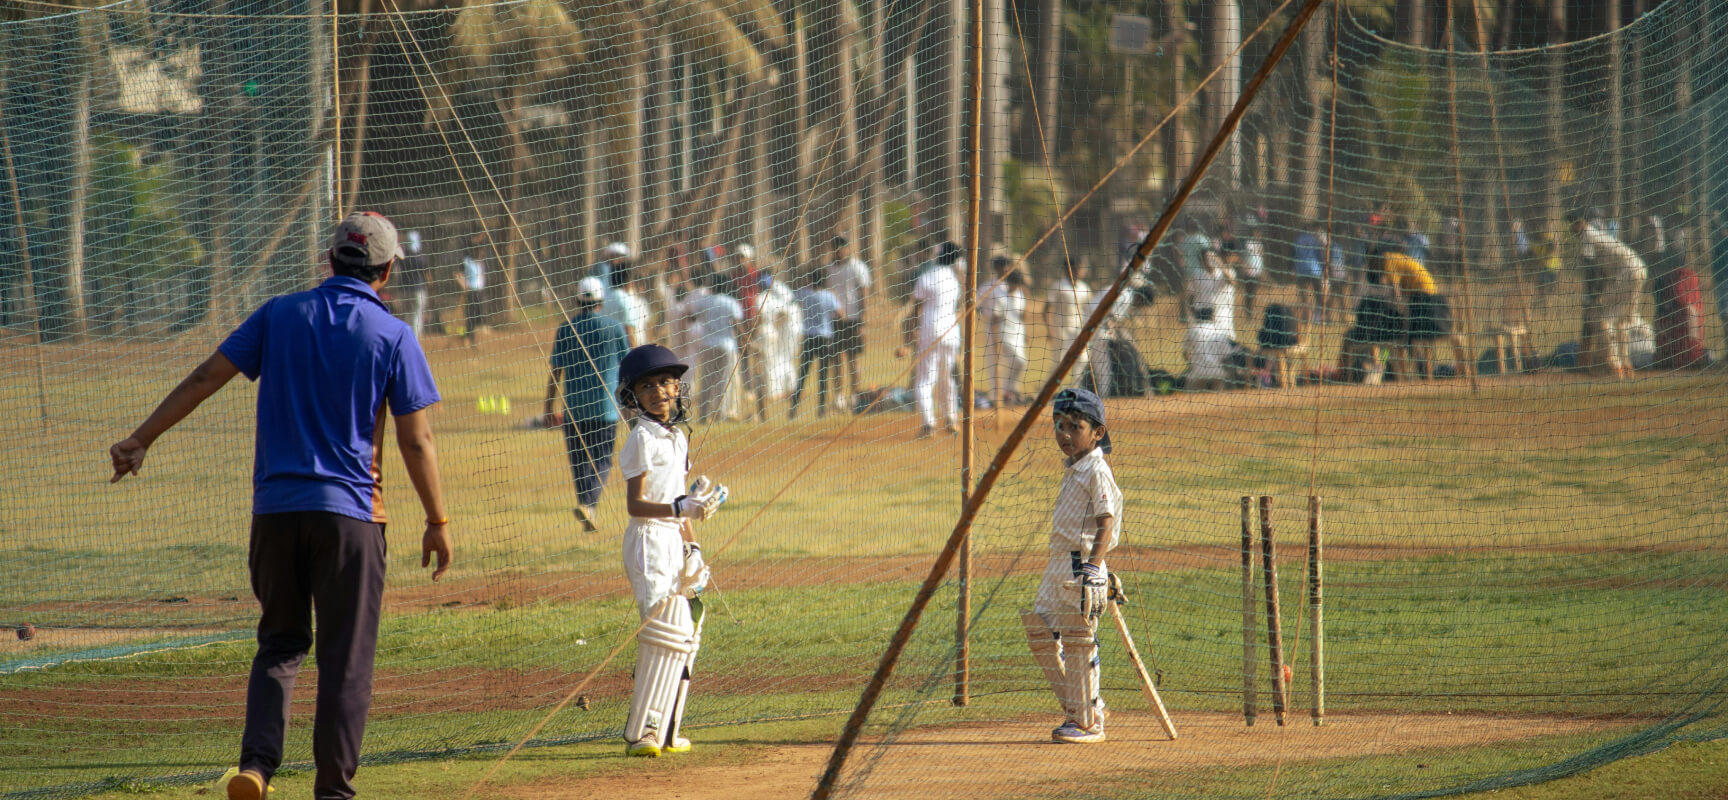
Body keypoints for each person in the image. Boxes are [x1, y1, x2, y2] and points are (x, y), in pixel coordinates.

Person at [108, 212, 452, 800]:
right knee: (345, 662)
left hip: (275, 514)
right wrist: (437, 520)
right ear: (387, 271)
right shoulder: (394, 335)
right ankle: (333, 791)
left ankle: (256, 767)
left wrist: (142, 438)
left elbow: (205, 376)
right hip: (350, 518)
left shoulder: (279, 313)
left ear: (327, 259)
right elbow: (415, 440)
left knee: (281, 643)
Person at [614, 344, 728, 758]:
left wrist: (692, 544)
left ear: (678, 387)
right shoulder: (641, 438)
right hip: (647, 539)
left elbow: (680, 497)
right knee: (661, 631)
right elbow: (635, 505)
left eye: (666, 382)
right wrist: (680, 508)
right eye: (648, 386)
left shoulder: (678, 437)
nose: (659, 391)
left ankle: (669, 730)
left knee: (688, 625)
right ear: (633, 396)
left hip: (673, 539)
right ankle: (643, 732)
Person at [1020, 388, 1121, 745]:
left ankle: (1088, 723)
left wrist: (1094, 568)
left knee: (1078, 641)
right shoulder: (1075, 467)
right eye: (1059, 425)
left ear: (1097, 432)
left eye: (1075, 426)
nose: (1064, 434)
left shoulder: (1096, 470)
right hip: (1057, 563)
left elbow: (1106, 522)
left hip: (1080, 565)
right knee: (1040, 632)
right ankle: (1086, 707)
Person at [546, 277, 631, 532]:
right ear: (601, 301)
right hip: (606, 408)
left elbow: (556, 370)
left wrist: (548, 405)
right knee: (601, 459)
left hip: (574, 408)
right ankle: (590, 504)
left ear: (577, 300)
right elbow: (628, 366)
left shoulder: (565, 328)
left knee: (579, 461)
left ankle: (585, 504)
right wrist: (630, 401)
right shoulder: (614, 327)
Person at [1568, 208, 1647, 379]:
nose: (1571, 228)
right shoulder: (1599, 234)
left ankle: (1614, 365)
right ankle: (1627, 365)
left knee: (1606, 319)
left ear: (1579, 223)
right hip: (1639, 269)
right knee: (1624, 320)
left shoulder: (1587, 235)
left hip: (1625, 273)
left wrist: (1592, 296)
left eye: (1572, 224)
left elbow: (1590, 266)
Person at [899, 241, 963, 438]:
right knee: (947, 378)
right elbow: (957, 307)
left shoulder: (927, 276)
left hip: (930, 331)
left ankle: (928, 424)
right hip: (951, 333)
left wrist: (909, 338)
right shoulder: (954, 278)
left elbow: (915, 310)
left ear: (937, 255)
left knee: (924, 381)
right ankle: (951, 419)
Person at [1380, 241, 1453, 380]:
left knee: (1407, 335)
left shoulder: (1387, 259)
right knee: (1408, 336)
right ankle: (1420, 370)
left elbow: (1396, 293)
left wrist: (1396, 307)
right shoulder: (1399, 259)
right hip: (1430, 296)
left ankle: (1416, 371)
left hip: (1423, 298)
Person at [1335, 251, 1405, 384]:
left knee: (1349, 337)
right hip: (1384, 334)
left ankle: (1344, 376)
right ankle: (1387, 372)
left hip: (1369, 334)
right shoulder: (1387, 290)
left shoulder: (1367, 290)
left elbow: (1357, 311)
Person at [684, 270, 744, 422]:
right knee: (723, 381)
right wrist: (746, 341)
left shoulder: (704, 301)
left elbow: (691, 318)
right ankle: (719, 415)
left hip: (708, 344)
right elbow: (737, 325)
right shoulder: (730, 302)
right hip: (727, 345)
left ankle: (703, 415)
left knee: (706, 381)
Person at [826, 236, 873, 412]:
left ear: (847, 248)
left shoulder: (857, 267)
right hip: (835, 319)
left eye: (842, 248)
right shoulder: (829, 268)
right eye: (836, 248)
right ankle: (839, 397)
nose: (840, 252)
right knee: (836, 359)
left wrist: (863, 320)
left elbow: (864, 293)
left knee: (853, 359)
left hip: (854, 318)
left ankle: (854, 396)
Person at [790, 266, 842, 419]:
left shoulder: (804, 293)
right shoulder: (828, 295)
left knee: (803, 374)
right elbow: (841, 314)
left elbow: (792, 299)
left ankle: (793, 408)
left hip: (809, 337)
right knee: (823, 375)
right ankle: (821, 409)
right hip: (825, 337)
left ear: (809, 280)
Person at [753, 265, 803, 417]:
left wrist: (774, 325)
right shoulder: (771, 294)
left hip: (783, 329)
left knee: (776, 362)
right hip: (780, 330)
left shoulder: (774, 292)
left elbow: (784, 312)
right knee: (782, 360)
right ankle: (788, 389)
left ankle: (780, 391)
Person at [981, 256, 1029, 406]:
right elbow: (979, 307)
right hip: (998, 331)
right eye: (1003, 266)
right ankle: (996, 397)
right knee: (994, 365)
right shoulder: (989, 287)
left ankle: (1010, 393)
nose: (1006, 269)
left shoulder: (1019, 293)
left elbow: (1023, 314)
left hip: (1017, 332)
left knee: (1019, 362)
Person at [1043, 256, 1092, 375]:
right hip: (1061, 330)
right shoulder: (1058, 286)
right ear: (1068, 269)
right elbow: (1046, 310)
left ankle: (1076, 385)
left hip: (1079, 330)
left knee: (1082, 359)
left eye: (1081, 268)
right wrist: (1050, 330)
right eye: (1078, 268)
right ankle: (1051, 387)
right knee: (1059, 363)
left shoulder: (1085, 288)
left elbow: (1089, 310)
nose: (1080, 271)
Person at [602, 255, 651, 347]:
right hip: (624, 351)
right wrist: (637, 353)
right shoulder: (627, 301)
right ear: (629, 282)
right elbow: (630, 334)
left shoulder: (605, 300)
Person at [1182, 306, 1235, 391]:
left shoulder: (1192, 330)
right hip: (1217, 371)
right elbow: (1227, 356)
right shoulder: (1219, 330)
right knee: (1217, 395)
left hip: (1198, 372)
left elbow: (1186, 354)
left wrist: (1192, 364)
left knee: (1199, 395)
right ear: (1211, 316)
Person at [398, 230, 430, 339]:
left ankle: (405, 338)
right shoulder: (420, 257)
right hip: (417, 290)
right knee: (416, 315)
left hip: (403, 290)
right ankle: (414, 339)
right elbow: (426, 273)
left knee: (406, 316)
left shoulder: (402, 257)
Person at [1291, 225, 1326, 323]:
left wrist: (1292, 269)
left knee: (1303, 295)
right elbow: (1320, 255)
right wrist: (1323, 269)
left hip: (1301, 270)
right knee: (1318, 295)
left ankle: (1305, 316)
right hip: (1315, 270)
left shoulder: (1297, 240)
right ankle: (1318, 317)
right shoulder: (1315, 240)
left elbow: (1293, 254)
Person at [459, 234, 487, 347]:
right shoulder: (467, 261)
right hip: (470, 291)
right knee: (470, 315)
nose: (480, 252)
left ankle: (472, 338)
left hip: (479, 292)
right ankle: (467, 338)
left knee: (477, 316)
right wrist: (464, 285)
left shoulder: (480, 262)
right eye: (478, 250)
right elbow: (458, 274)